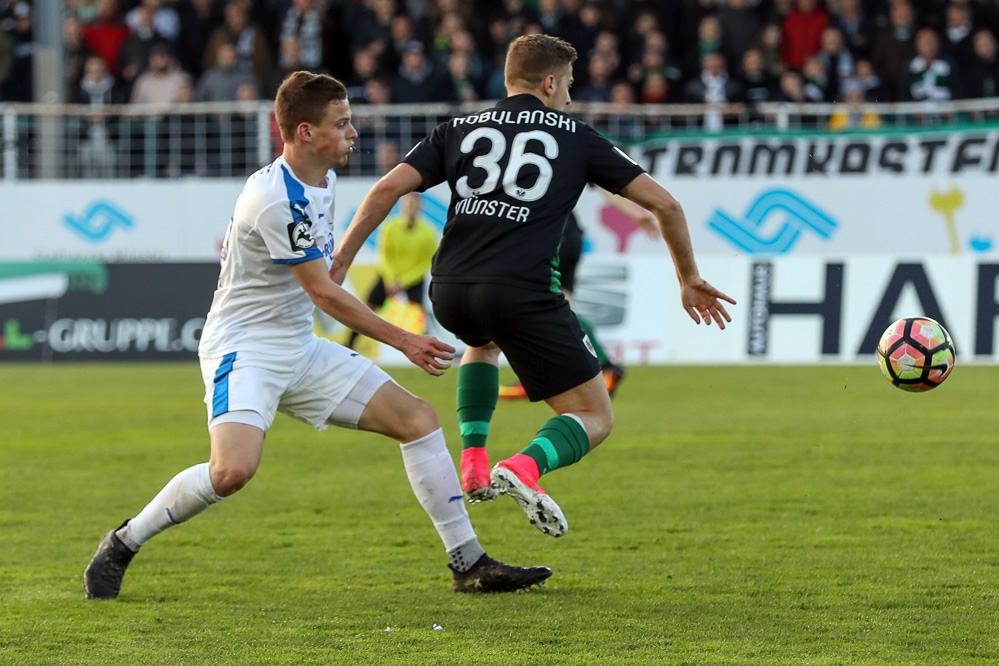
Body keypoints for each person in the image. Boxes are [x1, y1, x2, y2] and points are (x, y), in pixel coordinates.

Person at [83, 72, 551, 599]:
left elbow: (322, 280)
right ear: (305, 132)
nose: (354, 132)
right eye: (342, 123)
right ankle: (124, 542)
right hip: (246, 350)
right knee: (232, 471)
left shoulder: (322, 179)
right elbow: (322, 295)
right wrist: (405, 339)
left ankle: (469, 563)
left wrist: (344, 267)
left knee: (418, 419)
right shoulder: (275, 197)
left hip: (298, 346)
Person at [332, 35, 735, 538]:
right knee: (594, 414)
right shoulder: (575, 134)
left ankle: (474, 460)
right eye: (566, 85)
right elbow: (667, 206)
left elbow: (386, 187)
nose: (568, 96)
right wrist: (688, 279)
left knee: (481, 343)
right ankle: (523, 467)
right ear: (549, 83)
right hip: (521, 291)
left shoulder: (456, 128)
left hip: (450, 288)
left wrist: (342, 261)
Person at [346, 192, 438, 350]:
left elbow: (426, 262)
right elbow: (384, 255)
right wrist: (391, 280)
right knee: (367, 310)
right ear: (403, 206)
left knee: (418, 317)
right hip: (389, 277)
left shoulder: (428, 232)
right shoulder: (390, 226)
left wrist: (404, 282)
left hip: (412, 280)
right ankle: (349, 344)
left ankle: (424, 350)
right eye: (409, 203)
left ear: (420, 207)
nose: (411, 207)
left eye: (415, 204)